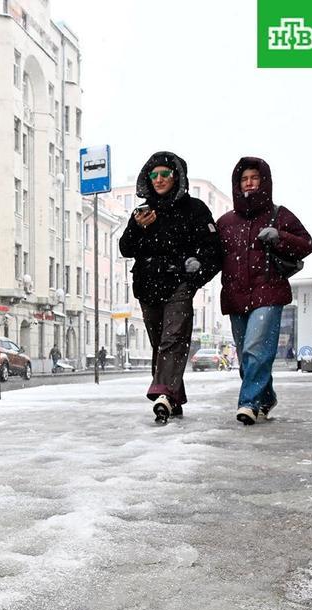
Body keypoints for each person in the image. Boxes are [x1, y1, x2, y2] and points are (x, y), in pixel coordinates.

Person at [120, 151, 222, 423]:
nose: (159, 179)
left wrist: (195, 276)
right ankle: (173, 399)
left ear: (176, 176)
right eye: (154, 175)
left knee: (173, 339)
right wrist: (137, 228)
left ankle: (163, 393)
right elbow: (125, 248)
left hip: (179, 284)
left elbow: (214, 251)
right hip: (147, 287)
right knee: (160, 344)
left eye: (165, 173)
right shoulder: (143, 211)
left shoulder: (195, 209)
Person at [216, 156, 312, 425]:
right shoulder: (225, 222)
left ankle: (248, 402)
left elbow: (306, 244)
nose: (249, 183)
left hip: (269, 292)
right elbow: (212, 257)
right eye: (244, 179)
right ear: (238, 184)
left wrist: (279, 236)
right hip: (235, 296)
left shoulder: (279, 214)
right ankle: (266, 397)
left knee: (255, 348)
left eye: (254, 178)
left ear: (264, 181)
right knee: (246, 356)